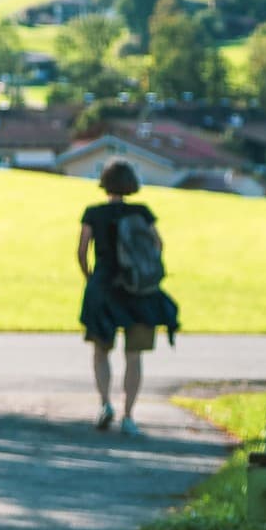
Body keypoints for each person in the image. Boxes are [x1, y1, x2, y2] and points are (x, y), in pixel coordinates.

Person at [77, 160, 179, 433]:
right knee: (134, 356)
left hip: (104, 288)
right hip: (139, 292)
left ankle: (105, 404)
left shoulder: (93, 213)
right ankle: (129, 415)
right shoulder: (142, 212)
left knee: (101, 351)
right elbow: (157, 244)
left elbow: (82, 250)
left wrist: (91, 278)